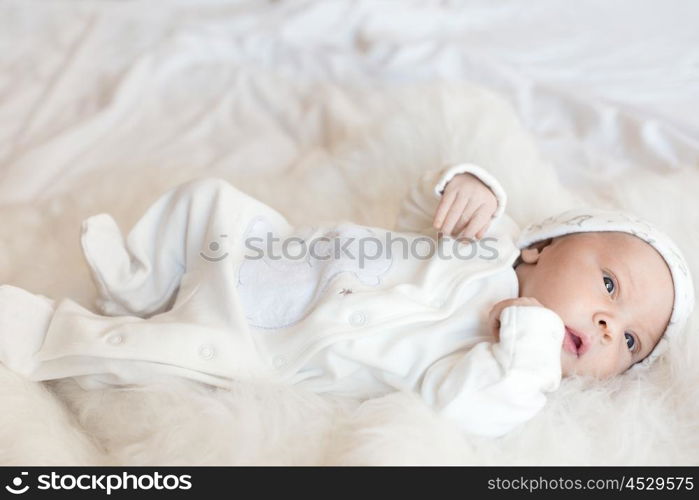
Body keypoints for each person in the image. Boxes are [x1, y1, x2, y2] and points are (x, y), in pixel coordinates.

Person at [0, 164, 694, 437]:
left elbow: (468, 409)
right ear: (542, 247)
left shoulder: (514, 369)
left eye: (628, 342)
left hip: (274, 341)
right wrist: (468, 187)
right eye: (608, 286)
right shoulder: (493, 239)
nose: (607, 324)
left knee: (139, 356)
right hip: (270, 253)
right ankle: (143, 281)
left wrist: (531, 342)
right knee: (206, 200)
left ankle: (46, 330)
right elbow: (422, 208)